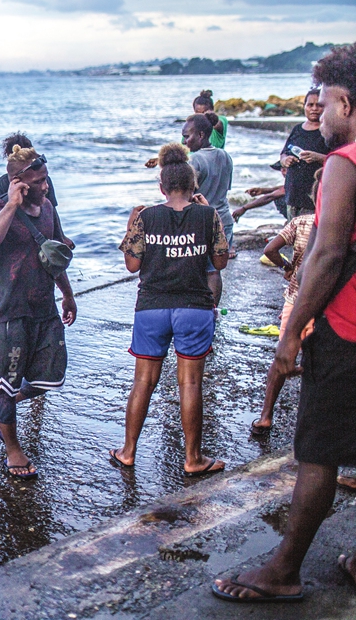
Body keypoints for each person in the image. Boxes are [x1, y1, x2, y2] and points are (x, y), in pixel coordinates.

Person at [213, 43, 356, 604]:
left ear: (346, 100)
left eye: (323, 103)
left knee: (318, 453)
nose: (317, 114)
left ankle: (283, 570)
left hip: (346, 328)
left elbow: (326, 254)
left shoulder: (345, 164)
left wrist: (293, 328)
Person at [110, 143, 229, 476]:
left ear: (161, 187)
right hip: (194, 307)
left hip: (152, 307)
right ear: (194, 188)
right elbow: (220, 261)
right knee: (190, 384)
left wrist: (130, 225)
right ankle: (193, 459)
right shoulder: (208, 215)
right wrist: (208, 216)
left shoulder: (146, 216)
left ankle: (128, 451)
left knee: (143, 382)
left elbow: (132, 265)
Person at [0, 145, 77, 478]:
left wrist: (68, 294)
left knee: (52, 375)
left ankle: (5, 399)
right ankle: (14, 450)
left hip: (44, 308)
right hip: (9, 313)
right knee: (4, 387)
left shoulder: (47, 208)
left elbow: (55, 252)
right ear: (18, 182)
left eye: (46, 179)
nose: (46, 187)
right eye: (39, 181)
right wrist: (12, 205)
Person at [250, 172, 319, 436]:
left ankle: (266, 417)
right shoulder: (342, 223)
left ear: (312, 197)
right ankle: (314, 422)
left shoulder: (300, 222)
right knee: (321, 361)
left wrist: (287, 266)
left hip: (296, 298)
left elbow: (269, 249)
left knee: (283, 355)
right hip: (327, 304)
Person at [0, 134, 69, 249]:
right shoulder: (4, 186)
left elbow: (52, 218)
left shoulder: (45, 198)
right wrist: (12, 204)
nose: (44, 187)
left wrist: (61, 238)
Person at [184, 113, 234, 304]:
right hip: (223, 218)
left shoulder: (194, 160)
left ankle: (197, 309)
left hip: (201, 221)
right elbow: (226, 187)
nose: (185, 142)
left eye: (188, 136)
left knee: (198, 271)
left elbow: (187, 194)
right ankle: (211, 311)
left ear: (201, 135)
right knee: (214, 271)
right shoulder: (225, 156)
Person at [280, 88, 328, 218]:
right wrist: (285, 160)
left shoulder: (329, 133)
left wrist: (317, 157)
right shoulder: (297, 129)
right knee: (294, 236)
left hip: (315, 199)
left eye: (319, 105)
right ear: (304, 107)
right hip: (292, 197)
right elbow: (283, 153)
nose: (314, 108)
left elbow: (339, 161)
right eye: (310, 105)